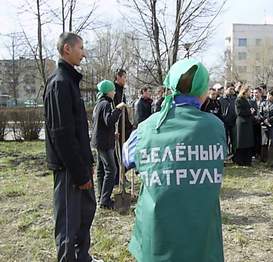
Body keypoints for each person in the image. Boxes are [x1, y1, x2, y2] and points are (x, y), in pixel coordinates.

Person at [123, 59, 226, 262]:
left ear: (170, 85)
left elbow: (127, 158)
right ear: (203, 91)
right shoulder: (216, 127)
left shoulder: (146, 128)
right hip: (201, 235)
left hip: (157, 236)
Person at [43, 32, 100, 262]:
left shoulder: (70, 81)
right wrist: (79, 172)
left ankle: (82, 257)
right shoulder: (59, 83)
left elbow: (77, 131)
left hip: (80, 165)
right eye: (81, 48)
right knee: (69, 220)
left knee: (86, 213)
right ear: (67, 49)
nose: (84, 53)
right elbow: (62, 135)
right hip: (68, 170)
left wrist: (88, 163)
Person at [91, 80, 126, 209]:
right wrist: (117, 109)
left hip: (99, 141)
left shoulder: (98, 104)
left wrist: (112, 135)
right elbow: (109, 121)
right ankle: (105, 201)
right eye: (113, 90)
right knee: (111, 170)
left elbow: (101, 124)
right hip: (104, 143)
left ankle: (101, 196)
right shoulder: (105, 104)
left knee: (101, 170)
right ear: (108, 92)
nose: (114, 92)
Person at [235, 84, 254, 166]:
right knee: (242, 143)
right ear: (245, 92)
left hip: (248, 123)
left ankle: (247, 161)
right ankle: (241, 161)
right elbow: (239, 112)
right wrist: (250, 112)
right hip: (242, 124)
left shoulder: (246, 100)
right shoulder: (238, 100)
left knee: (248, 143)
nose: (250, 93)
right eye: (249, 91)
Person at [220, 83, 237, 159]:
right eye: (230, 89)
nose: (232, 91)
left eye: (233, 89)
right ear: (225, 89)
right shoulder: (221, 99)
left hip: (233, 123)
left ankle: (235, 156)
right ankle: (224, 156)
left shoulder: (235, 99)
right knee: (225, 140)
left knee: (234, 140)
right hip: (224, 123)